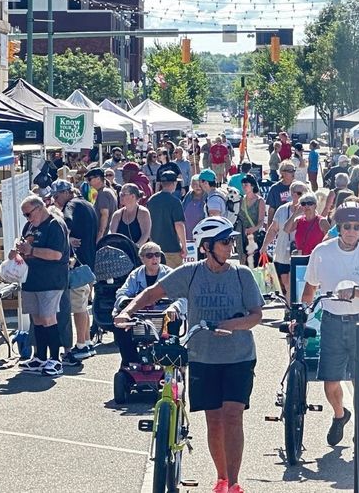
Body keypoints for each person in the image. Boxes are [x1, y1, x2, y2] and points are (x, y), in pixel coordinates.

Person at [116, 216, 264, 493]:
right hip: (203, 356)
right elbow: (151, 293)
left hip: (239, 356)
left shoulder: (241, 274)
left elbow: (256, 315)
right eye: (224, 241)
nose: (230, 246)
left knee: (233, 415)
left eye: (231, 240)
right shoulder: (191, 273)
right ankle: (221, 478)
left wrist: (229, 325)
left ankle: (234, 483)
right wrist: (127, 311)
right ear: (207, 247)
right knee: (214, 419)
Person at [301, 201, 359, 446]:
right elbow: (309, 288)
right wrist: (301, 314)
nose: (351, 231)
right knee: (331, 380)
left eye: (356, 227)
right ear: (338, 227)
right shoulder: (322, 251)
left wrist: (354, 291)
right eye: (346, 226)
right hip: (333, 321)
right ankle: (340, 415)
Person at [17, 195, 71, 377]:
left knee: (48, 318)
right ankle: (40, 357)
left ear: (39, 208)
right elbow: (25, 245)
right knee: (37, 318)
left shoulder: (55, 225)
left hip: (51, 280)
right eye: (25, 215)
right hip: (31, 279)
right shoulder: (30, 226)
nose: (27, 218)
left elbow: (57, 254)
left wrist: (31, 251)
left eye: (28, 214)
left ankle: (55, 359)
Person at [50, 180, 100, 363]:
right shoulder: (87, 204)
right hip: (88, 262)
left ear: (67, 192)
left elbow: (66, 222)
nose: (55, 201)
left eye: (57, 196)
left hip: (77, 264)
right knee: (83, 304)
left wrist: (66, 238)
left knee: (78, 306)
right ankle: (86, 341)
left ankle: (80, 345)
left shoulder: (71, 204)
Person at [111, 242, 175, 364]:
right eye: (150, 255)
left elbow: (182, 296)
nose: (155, 258)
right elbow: (122, 292)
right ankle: (130, 362)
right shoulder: (135, 275)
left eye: (157, 254)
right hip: (140, 315)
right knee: (120, 327)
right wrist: (125, 301)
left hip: (163, 316)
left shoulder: (169, 274)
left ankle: (169, 363)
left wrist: (174, 307)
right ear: (142, 259)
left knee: (174, 321)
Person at [262, 180, 309, 301]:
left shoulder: (309, 210)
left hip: (301, 253)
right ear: (291, 194)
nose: (302, 196)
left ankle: (290, 310)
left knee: (294, 282)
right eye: (299, 193)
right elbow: (273, 229)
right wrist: (264, 246)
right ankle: (290, 305)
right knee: (286, 283)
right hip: (283, 252)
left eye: (305, 193)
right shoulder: (282, 210)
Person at [147, 170, 187, 267]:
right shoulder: (175, 202)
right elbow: (179, 225)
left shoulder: (151, 200)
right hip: (172, 249)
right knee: (173, 279)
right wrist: (184, 246)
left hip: (154, 250)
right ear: (174, 183)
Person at [286, 192, 331, 256]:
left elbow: (331, 240)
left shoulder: (322, 221)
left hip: (317, 258)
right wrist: (295, 214)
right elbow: (286, 230)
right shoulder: (298, 221)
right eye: (303, 204)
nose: (306, 206)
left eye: (310, 203)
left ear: (315, 205)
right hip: (300, 259)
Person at [238, 176, 266, 266]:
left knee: (254, 262)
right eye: (242, 185)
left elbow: (261, 220)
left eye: (246, 185)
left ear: (252, 186)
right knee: (244, 261)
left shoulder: (259, 201)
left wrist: (254, 229)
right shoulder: (241, 199)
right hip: (242, 235)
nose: (244, 187)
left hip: (254, 237)